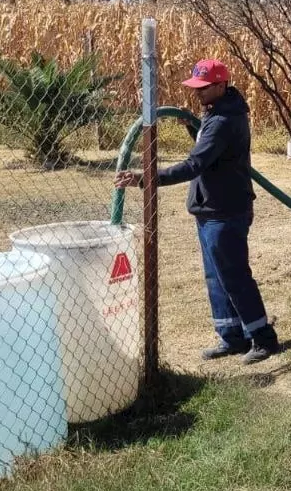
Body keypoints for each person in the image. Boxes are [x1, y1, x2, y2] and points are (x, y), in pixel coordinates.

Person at [115, 58, 279, 365]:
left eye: (204, 88)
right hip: (212, 208)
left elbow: (195, 165)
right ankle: (231, 337)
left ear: (220, 85)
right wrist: (196, 129)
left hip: (224, 211)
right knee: (216, 276)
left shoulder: (222, 121)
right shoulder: (218, 113)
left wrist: (145, 179)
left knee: (234, 275)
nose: (198, 94)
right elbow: (217, 155)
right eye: (196, 88)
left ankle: (263, 338)